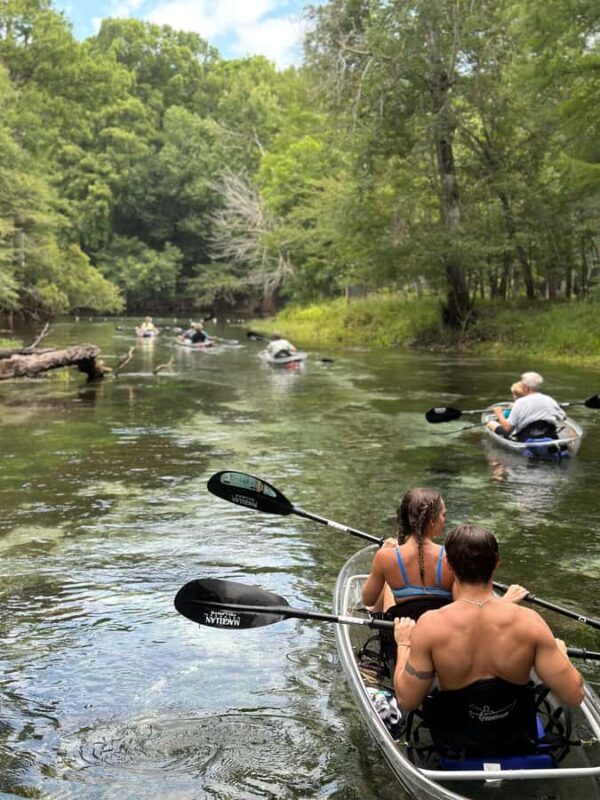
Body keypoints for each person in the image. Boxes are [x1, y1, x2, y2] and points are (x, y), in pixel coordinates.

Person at [393, 524, 584, 757]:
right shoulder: (530, 622)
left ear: (450, 566)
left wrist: (404, 643)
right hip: (516, 739)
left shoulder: (430, 625)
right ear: (496, 564)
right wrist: (560, 652)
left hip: (456, 744)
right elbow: (574, 695)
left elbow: (407, 700)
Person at [362, 488, 453, 621]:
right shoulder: (451, 556)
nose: (444, 520)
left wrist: (384, 551)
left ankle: (374, 614)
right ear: (432, 521)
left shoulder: (385, 557)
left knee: (388, 581)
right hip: (442, 635)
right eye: (443, 515)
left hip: (401, 633)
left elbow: (368, 599)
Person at [488, 371, 566, 441]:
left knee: (490, 423)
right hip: (549, 435)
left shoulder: (519, 403)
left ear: (526, 387)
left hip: (526, 440)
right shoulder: (549, 399)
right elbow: (563, 417)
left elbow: (507, 429)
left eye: (521, 384)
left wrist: (499, 414)